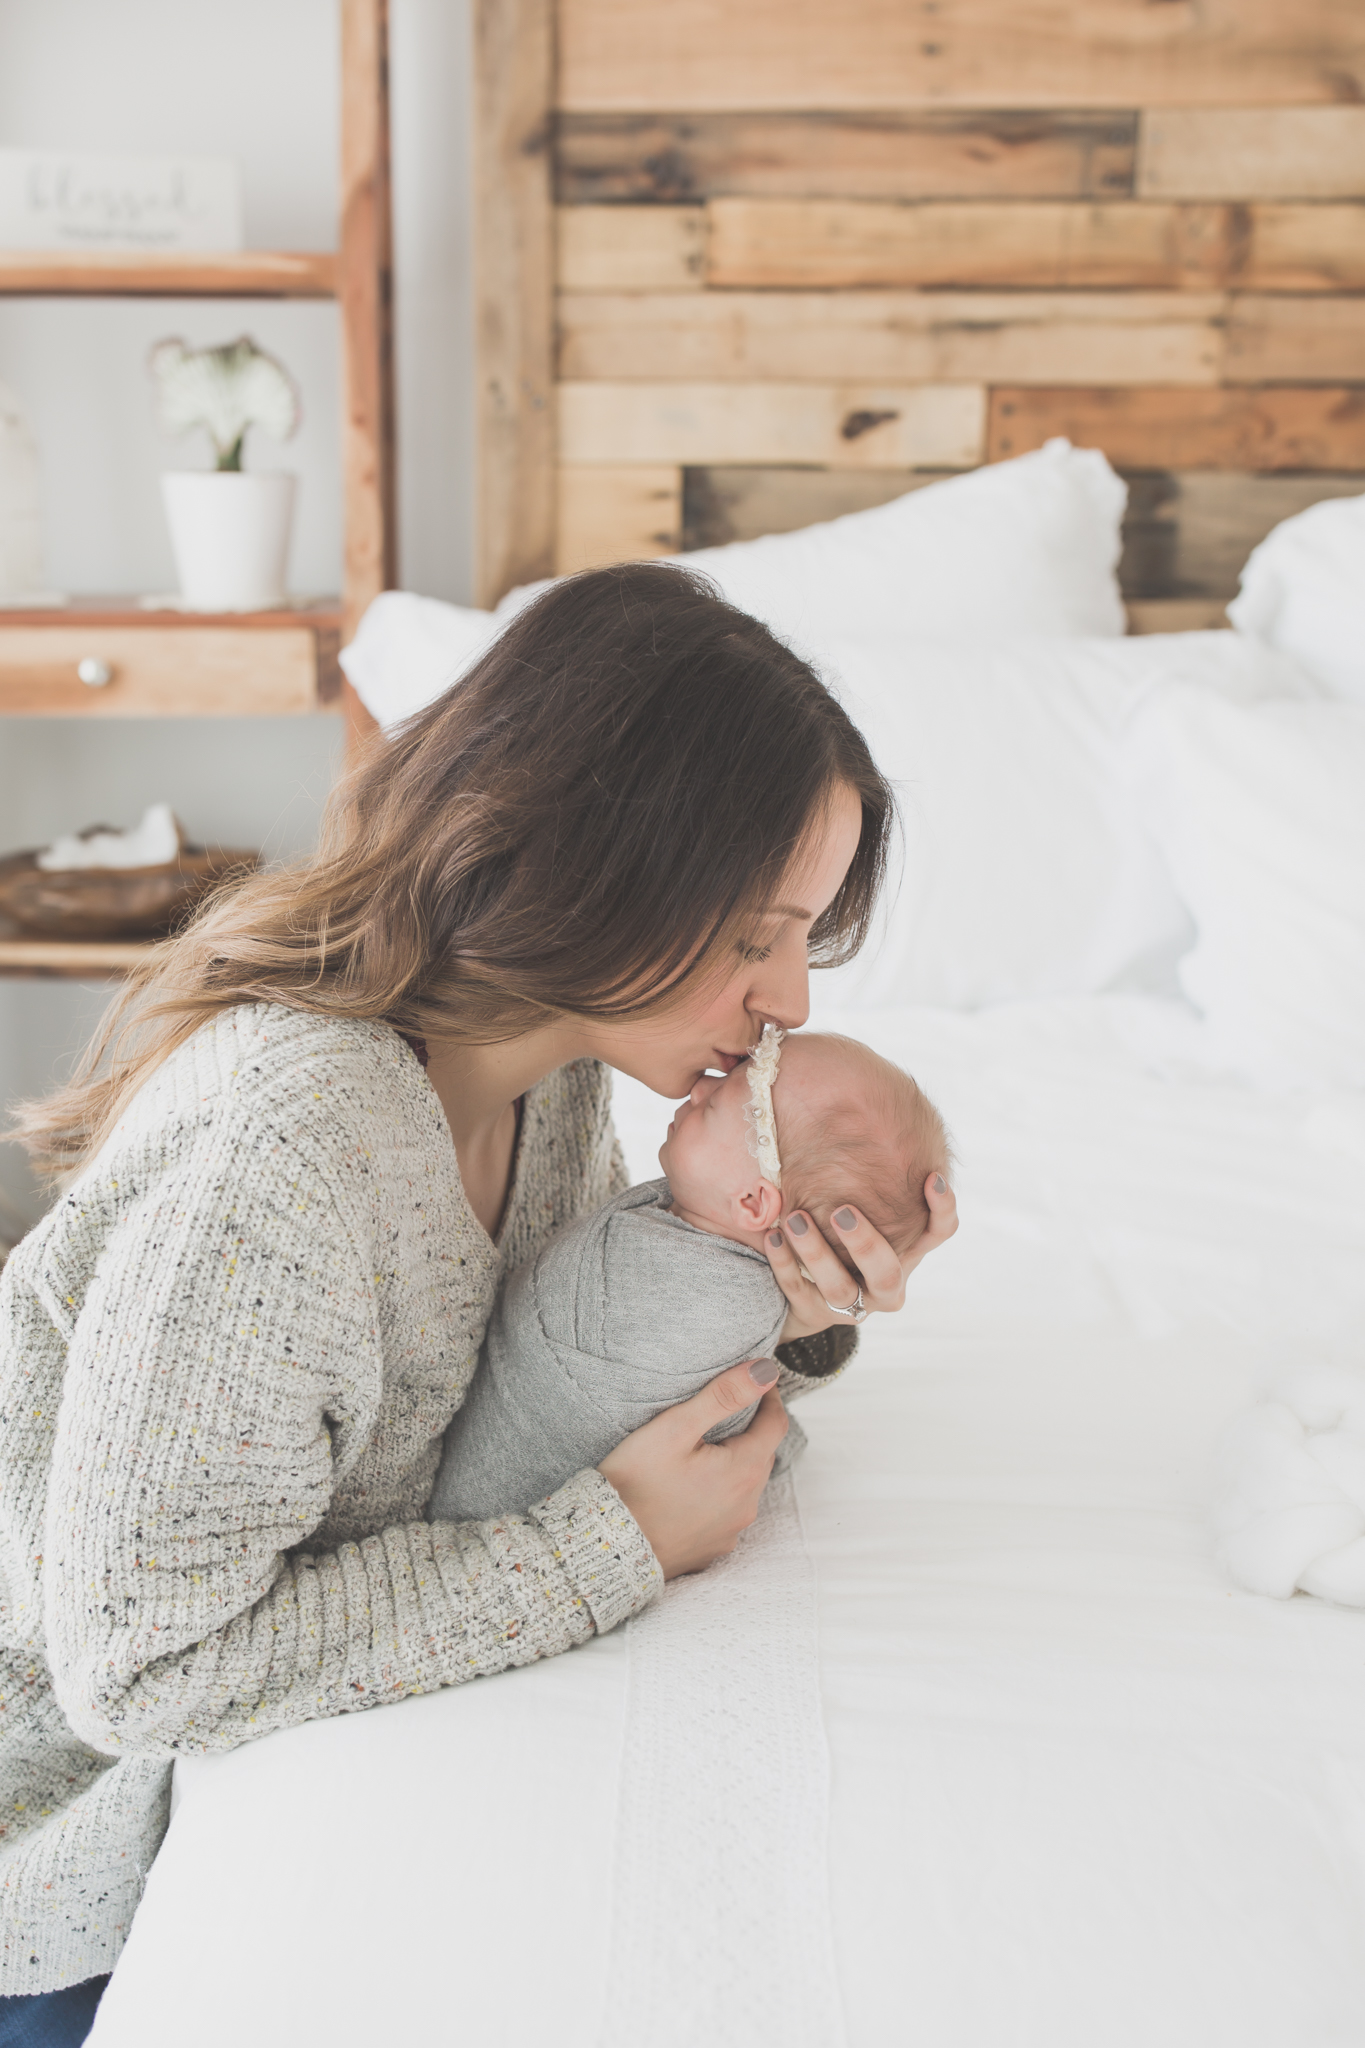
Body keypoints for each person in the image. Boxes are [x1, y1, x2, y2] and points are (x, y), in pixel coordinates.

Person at [0, 563, 956, 2041]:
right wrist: (615, 1544)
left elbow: (532, 1383)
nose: (793, 1005)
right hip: (62, 1853)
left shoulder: (546, 1070)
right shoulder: (289, 1150)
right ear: (609, 858)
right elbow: (143, 1669)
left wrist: (782, 1300)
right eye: (760, 936)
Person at [431, 1027, 949, 1519]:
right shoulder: (696, 1247)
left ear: (752, 1201)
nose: (701, 1086)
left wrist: (793, 1329)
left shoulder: (700, 1297)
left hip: (487, 1509)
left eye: (719, 1101)